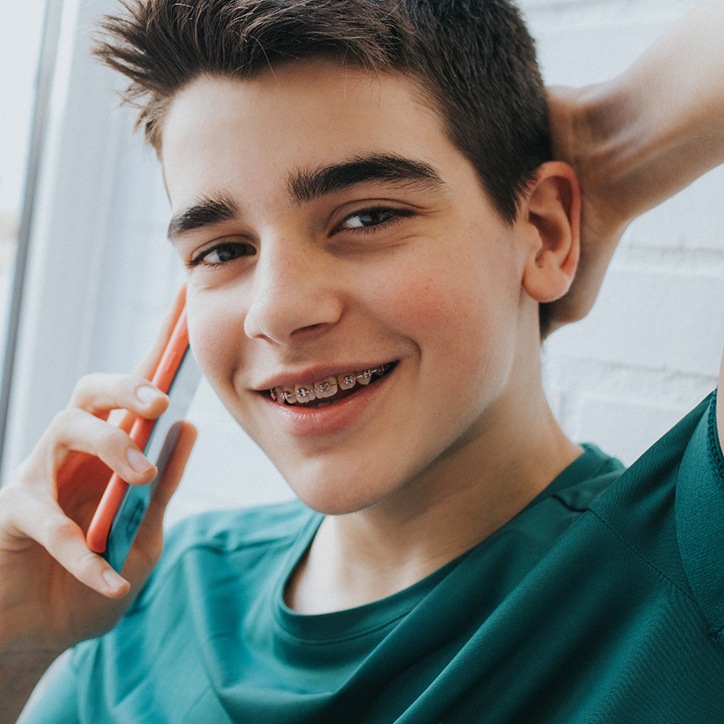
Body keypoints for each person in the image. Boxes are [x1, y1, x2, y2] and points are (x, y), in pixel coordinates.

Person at [0, 0, 722, 720]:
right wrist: (16, 649)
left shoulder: (684, 561)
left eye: (367, 217)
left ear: (543, 228)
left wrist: (611, 143)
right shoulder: (143, 599)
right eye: (223, 250)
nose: (276, 312)